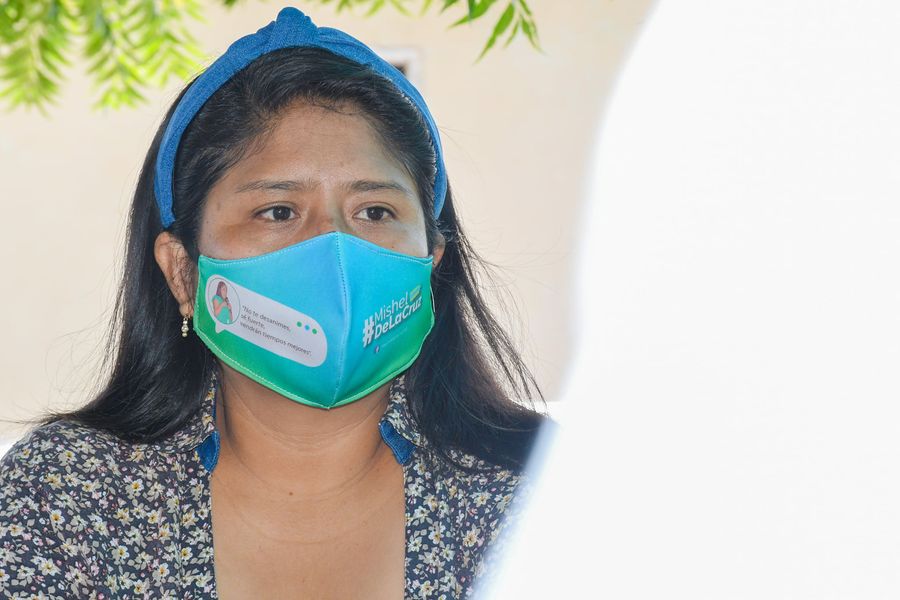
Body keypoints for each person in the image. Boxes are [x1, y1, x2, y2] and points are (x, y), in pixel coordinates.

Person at [0, 7, 545, 598]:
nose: (334, 248)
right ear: (183, 272)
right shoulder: (65, 500)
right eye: (278, 211)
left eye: (375, 211)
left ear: (432, 262)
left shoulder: (546, 495)